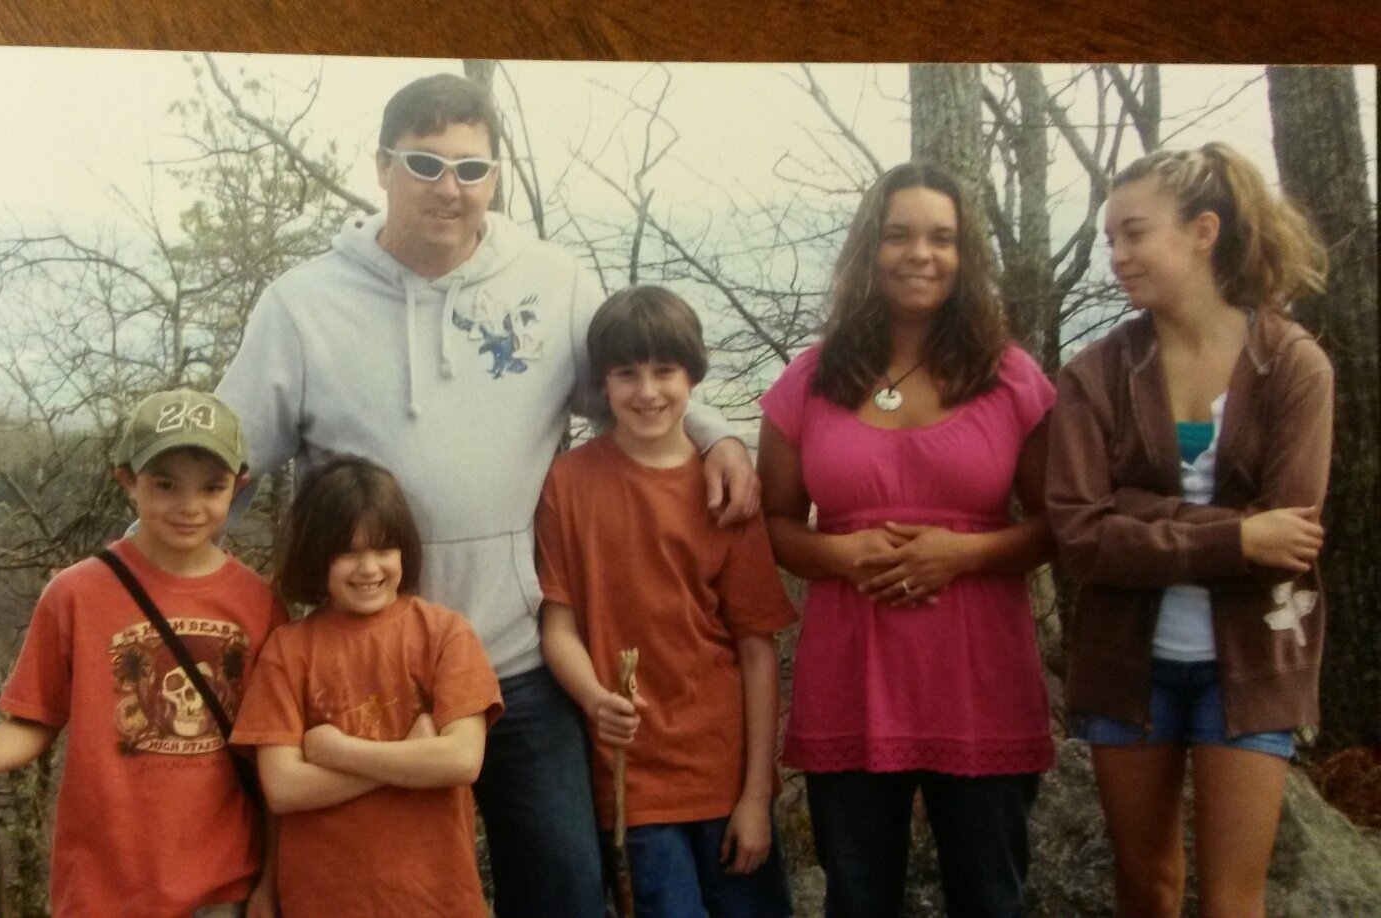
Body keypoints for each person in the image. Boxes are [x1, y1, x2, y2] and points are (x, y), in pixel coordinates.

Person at [213, 72, 758, 915]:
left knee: (566, 894)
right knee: (391, 900)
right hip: (367, 678)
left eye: (471, 169)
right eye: (425, 164)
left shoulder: (551, 281)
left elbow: (636, 377)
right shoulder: (302, 306)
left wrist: (714, 431)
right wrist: (170, 586)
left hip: (518, 662)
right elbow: (226, 467)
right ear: (381, 167)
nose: (449, 188)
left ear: (494, 177)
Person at [757, 162, 1056, 918]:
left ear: (966, 255)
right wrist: (840, 554)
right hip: (851, 676)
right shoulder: (810, 379)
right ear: (870, 249)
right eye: (898, 235)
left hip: (978, 676)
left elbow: (1059, 524)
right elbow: (780, 526)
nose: (919, 253)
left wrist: (963, 554)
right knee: (857, 898)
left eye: (942, 238)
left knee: (990, 897)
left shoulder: (1012, 377)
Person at [1047, 142, 1332, 918]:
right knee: (1146, 889)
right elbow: (1078, 536)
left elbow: (1293, 539)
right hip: (1126, 663)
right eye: (1109, 238)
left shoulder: (1294, 366)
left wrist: (1135, 513)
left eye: (1134, 233)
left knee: (1232, 903)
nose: (1117, 255)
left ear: (1203, 231)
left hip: (1250, 665)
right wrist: (1235, 538)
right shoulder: (1095, 374)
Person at [0, 389, 281, 918]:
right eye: (165, 485)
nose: (189, 506)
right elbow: (35, 719)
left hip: (221, 890)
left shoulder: (260, 605)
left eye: (211, 487)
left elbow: (276, 757)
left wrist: (271, 885)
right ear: (127, 482)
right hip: (102, 891)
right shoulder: (75, 594)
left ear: (239, 487)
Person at [534, 286, 797, 918]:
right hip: (631, 783)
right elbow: (558, 626)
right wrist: (595, 698)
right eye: (627, 374)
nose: (647, 392)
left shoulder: (726, 494)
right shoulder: (569, 485)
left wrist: (757, 795)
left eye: (664, 372)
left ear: (694, 376)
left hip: (724, 776)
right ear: (603, 383)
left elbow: (758, 650)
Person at [230, 456, 503, 918]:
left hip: (437, 898)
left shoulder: (445, 634)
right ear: (317, 555)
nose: (369, 568)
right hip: (323, 900)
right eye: (347, 552)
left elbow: (461, 759)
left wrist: (337, 752)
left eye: (383, 549)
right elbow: (283, 787)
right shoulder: (288, 650)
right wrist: (413, 755)